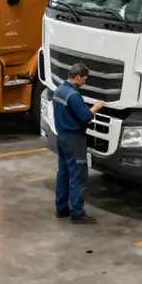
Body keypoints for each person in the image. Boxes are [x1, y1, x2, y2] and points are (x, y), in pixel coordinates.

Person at [53, 62, 104, 225]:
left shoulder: (59, 90)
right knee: (78, 176)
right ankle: (77, 213)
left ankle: (61, 208)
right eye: (84, 79)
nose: (85, 82)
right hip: (74, 140)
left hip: (61, 137)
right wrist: (95, 107)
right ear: (77, 77)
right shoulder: (73, 96)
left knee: (63, 173)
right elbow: (85, 117)